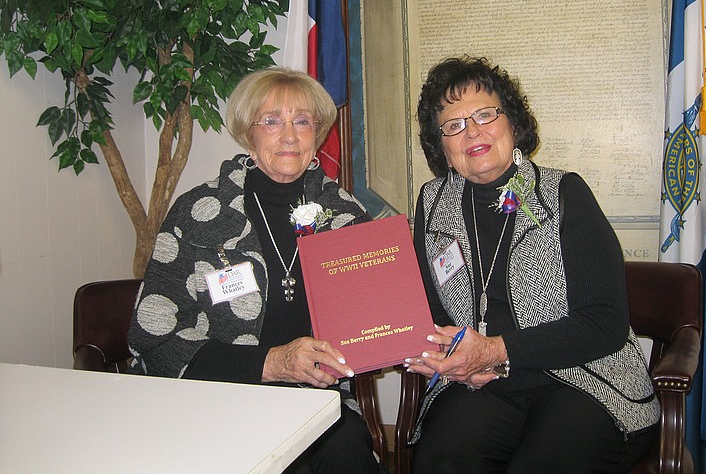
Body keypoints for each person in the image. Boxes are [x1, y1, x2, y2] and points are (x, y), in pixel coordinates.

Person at [405, 56, 660, 473]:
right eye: (453, 125)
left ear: (512, 123)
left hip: (584, 378)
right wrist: (452, 359)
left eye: (485, 114)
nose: (472, 131)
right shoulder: (433, 204)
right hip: (481, 384)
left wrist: (495, 351)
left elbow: (605, 322)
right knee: (441, 459)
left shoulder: (565, 194)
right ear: (442, 147)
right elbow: (428, 309)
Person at [128, 67, 380, 474]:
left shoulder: (347, 217)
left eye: (302, 121)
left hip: (316, 402)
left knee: (347, 455)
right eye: (272, 121)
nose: (289, 135)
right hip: (216, 399)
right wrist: (272, 363)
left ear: (317, 134)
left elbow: (376, 326)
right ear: (249, 132)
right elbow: (152, 338)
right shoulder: (198, 213)